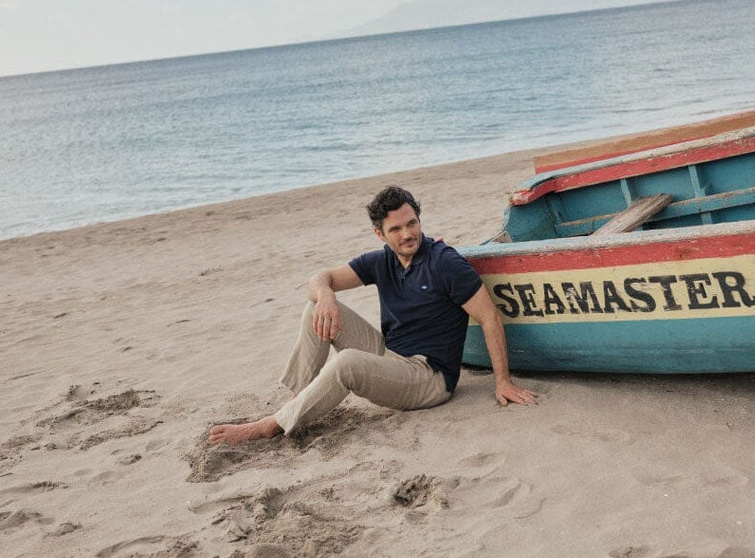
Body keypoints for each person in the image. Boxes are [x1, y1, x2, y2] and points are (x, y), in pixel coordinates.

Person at [209, 186, 535, 446]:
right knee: (315, 309)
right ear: (380, 234)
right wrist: (326, 296)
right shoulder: (381, 262)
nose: (407, 234)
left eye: (412, 223)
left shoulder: (445, 263)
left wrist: (503, 382)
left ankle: (272, 425)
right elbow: (319, 278)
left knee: (347, 362)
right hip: (389, 356)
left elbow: (490, 317)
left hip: (429, 378)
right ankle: (298, 399)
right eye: (396, 229)